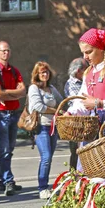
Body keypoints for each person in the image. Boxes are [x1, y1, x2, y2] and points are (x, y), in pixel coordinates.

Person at [0, 41, 26, 196]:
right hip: (1, 114)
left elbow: (23, 91)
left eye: (8, 51)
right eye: (3, 51)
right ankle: (7, 180)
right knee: (4, 150)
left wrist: (7, 93)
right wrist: (12, 93)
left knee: (9, 149)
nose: (6, 53)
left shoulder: (14, 70)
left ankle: (4, 180)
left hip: (14, 112)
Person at [28, 61, 64, 199]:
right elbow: (38, 106)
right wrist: (56, 111)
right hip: (41, 127)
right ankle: (42, 187)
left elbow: (61, 101)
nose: (45, 74)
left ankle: (46, 186)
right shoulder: (34, 88)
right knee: (46, 157)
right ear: (37, 74)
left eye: (46, 72)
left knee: (49, 157)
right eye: (42, 72)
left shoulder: (51, 88)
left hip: (52, 126)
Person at [64, 57, 87, 170]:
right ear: (79, 71)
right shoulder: (71, 84)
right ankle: (73, 175)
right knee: (76, 150)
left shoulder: (84, 82)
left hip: (86, 120)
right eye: (86, 69)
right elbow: (79, 100)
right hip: (75, 122)